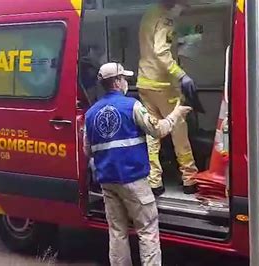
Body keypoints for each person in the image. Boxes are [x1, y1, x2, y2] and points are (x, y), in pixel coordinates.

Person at [83, 62, 192, 266]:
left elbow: (87, 151)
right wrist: (176, 113)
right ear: (116, 82)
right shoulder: (132, 106)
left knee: (117, 233)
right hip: (134, 181)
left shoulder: (90, 114)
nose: (126, 82)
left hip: (108, 182)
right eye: (124, 78)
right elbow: (157, 130)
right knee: (147, 230)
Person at [137, 0, 201, 196]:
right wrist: (181, 74)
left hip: (145, 82)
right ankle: (189, 179)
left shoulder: (149, 14)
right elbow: (161, 51)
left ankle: (154, 182)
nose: (182, 11)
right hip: (164, 86)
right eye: (182, 6)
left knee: (152, 134)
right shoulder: (165, 19)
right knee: (179, 131)